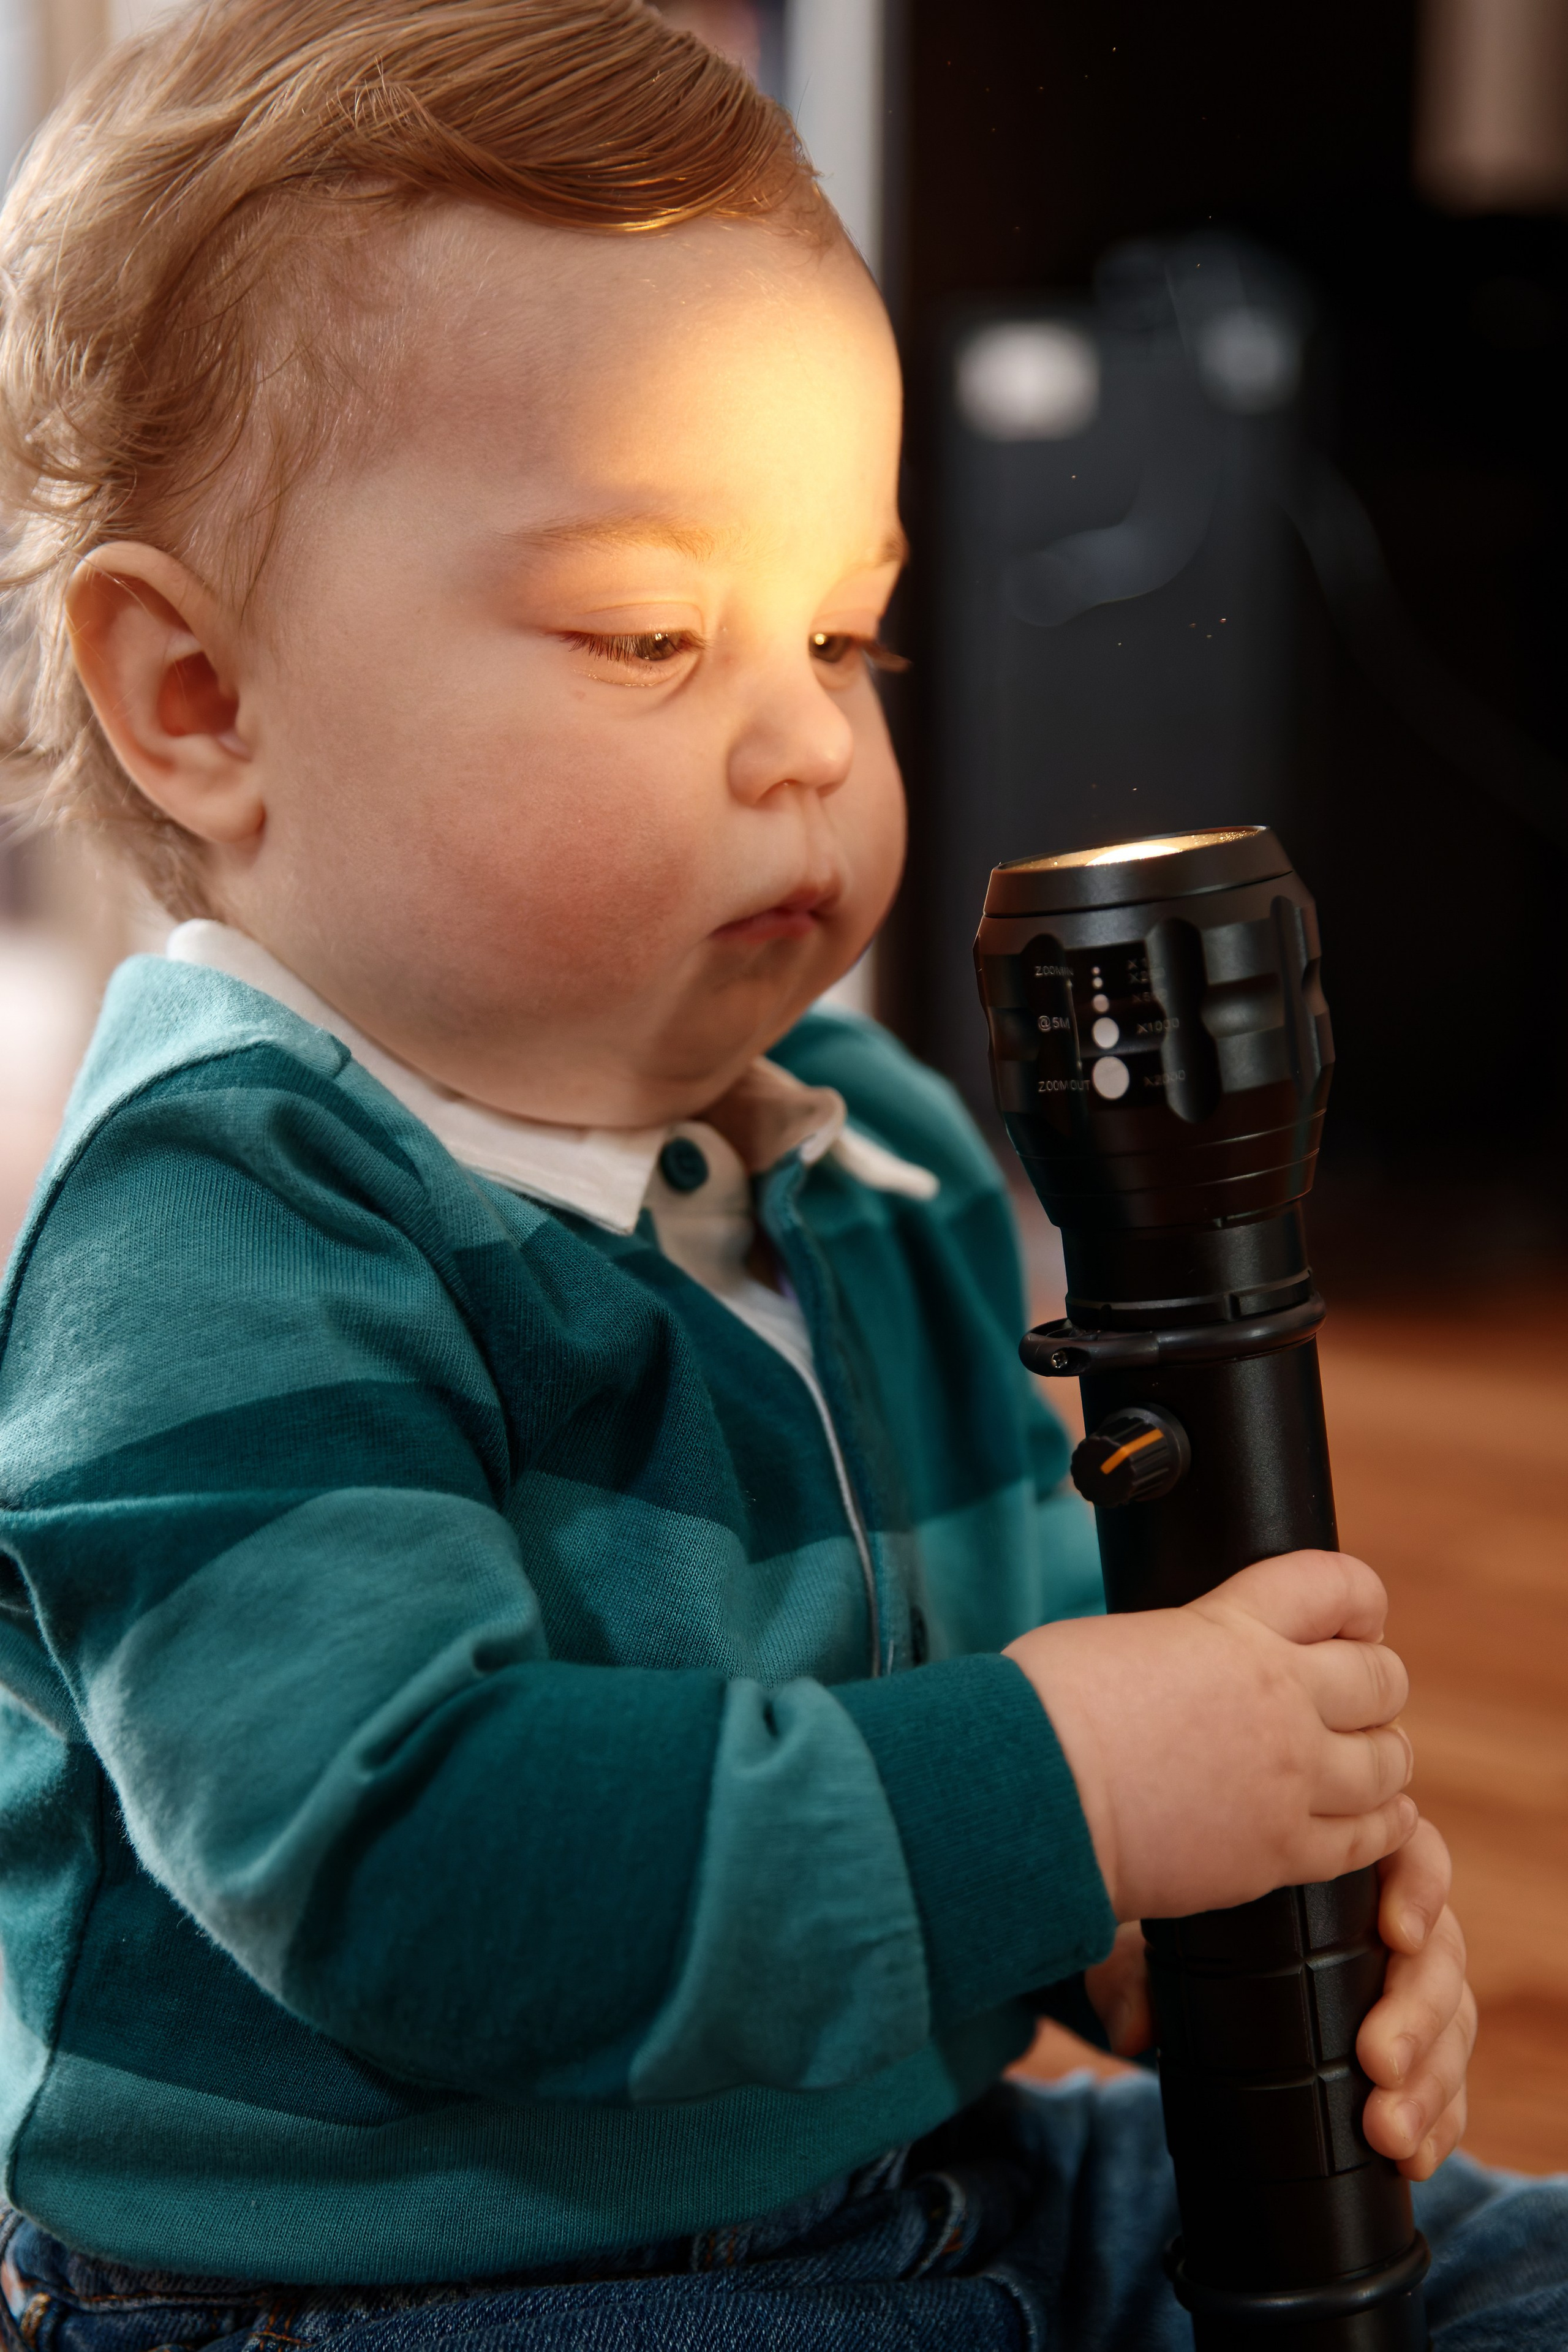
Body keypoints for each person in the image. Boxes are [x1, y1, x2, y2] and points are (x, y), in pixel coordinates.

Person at [0, 2, 1548, 2343]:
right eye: (649, 632)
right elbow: (421, 1875)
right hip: (441, 2285)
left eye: (848, 632)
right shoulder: (218, 1244)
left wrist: (1169, 1903)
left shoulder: (884, 1157)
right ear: (199, 698)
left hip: (922, 2166)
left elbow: (1029, 1681)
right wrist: (1069, 1785)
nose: (808, 740)